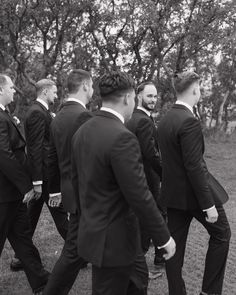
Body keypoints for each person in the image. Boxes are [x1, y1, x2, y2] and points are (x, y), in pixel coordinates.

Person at [71, 70, 176, 295]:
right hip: (114, 242)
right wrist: (163, 237)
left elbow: (76, 180)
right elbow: (139, 194)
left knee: (138, 283)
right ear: (129, 98)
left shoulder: (82, 131)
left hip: (98, 232)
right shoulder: (122, 137)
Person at [158, 71, 231, 295]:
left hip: (173, 195)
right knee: (222, 234)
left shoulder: (165, 119)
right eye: (200, 87)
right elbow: (194, 166)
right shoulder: (188, 121)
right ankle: (210, 292)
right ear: (195, 90)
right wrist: (208, 205)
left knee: (174, 248)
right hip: (194, 196)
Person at [43, 69, 94, 295]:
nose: (93, 91)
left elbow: (51, 158)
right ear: (84, 86)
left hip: (69, 190)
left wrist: (55, 190)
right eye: (91, 86)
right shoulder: (83, 116)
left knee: (79, 248)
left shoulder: (57, 117)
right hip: (86, 192)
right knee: (74, 250)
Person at [10, 79, 69, 271]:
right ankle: (79, 252)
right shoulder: (36, 112)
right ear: (44, 92)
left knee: (30, 217)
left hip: (42, 175)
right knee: (60, 214)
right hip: (44, 176)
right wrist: (37, 181)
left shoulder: (40, 111)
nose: (56, 95)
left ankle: (20, 257)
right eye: (54, 92)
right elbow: (35, 148)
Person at [0, 73, 50, 294]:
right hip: (4, 193)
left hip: (13, 194)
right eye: (11, 87)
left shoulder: (5, 114)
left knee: (22, 238)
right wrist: (26, 185)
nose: (14, 90)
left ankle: (40, 281)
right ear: (0, 90)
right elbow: (4, 155)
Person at [126, 81, 165, 270]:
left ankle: (144, 255)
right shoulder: (142, 120)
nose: (153, 99)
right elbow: (150, 154)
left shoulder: (132, 117)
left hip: (139, 177)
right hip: (148, 177)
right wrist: (164, 174)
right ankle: (159, 257)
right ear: (139, 95)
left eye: (155, 96)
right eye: (149, 96)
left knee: (146, 217)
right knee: (158, 215)